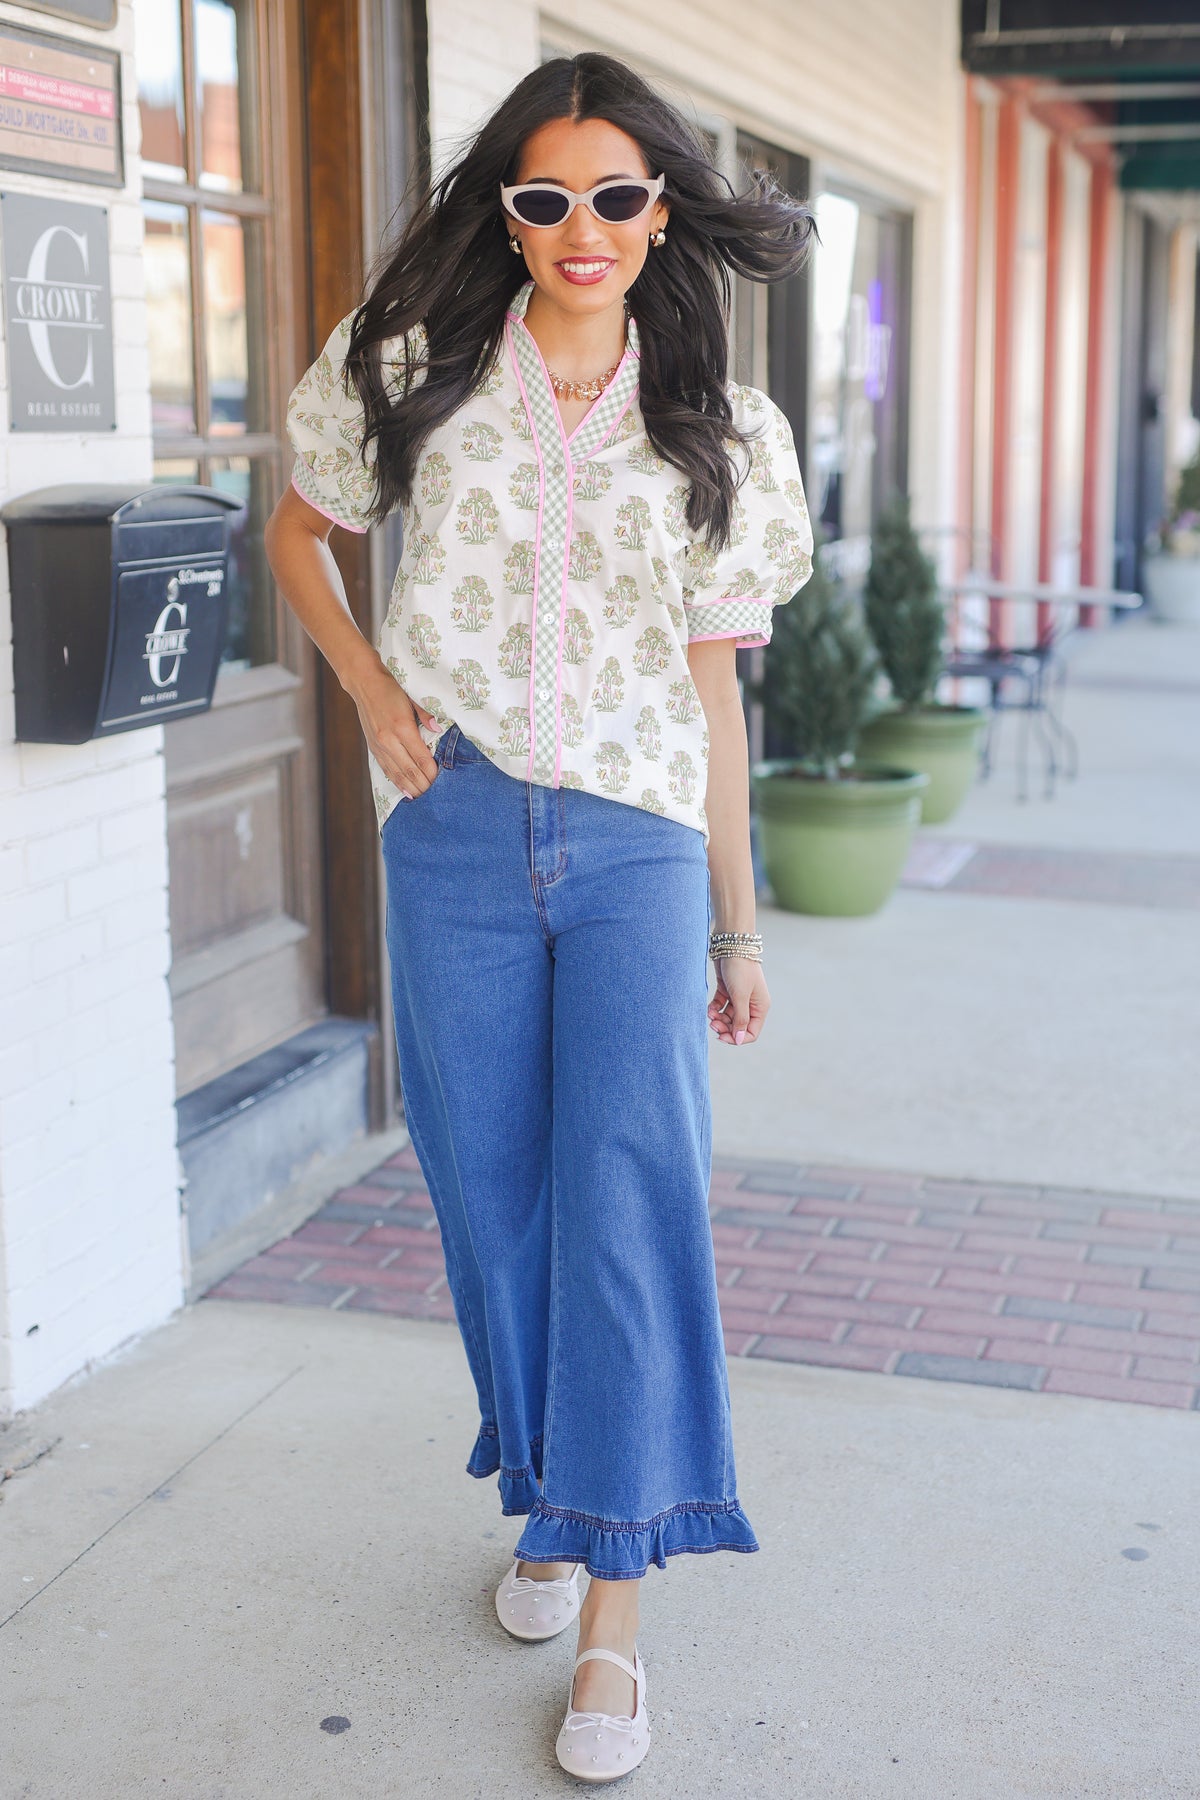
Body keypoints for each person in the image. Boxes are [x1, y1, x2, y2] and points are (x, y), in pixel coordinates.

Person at [264, 49, 814, 1785]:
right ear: (505, 207)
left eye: (620, 196)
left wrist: (738, 924)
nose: (585, 230)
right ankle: (561, 1492)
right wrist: (366, 689)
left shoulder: (722, 424)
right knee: (486, 1193)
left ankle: (612, 1618)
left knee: (627, 1200)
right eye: (546, 197)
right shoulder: (414, 360)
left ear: (665, 209)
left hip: (644, 841)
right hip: (456, 824)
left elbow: (721, 701)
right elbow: (301, 527)